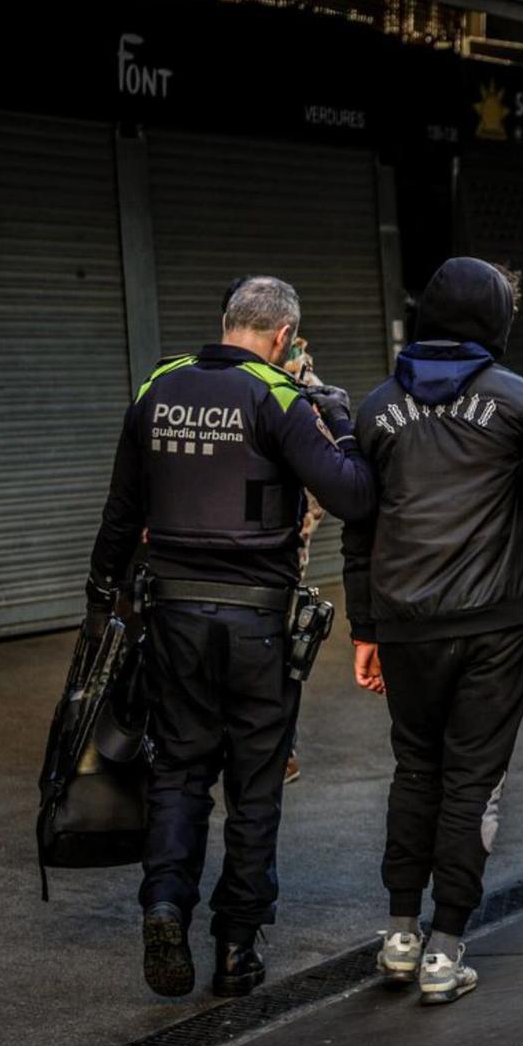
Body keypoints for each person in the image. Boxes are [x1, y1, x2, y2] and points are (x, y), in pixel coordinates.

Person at [87, 276, 374, 999]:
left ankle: (163, 905)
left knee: (179, 770)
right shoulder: (276, 396)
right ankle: (236, 947)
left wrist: (100, 603)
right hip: (256, 624)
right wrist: (335, 418)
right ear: (284, 338)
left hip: (173, 618)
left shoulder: (158, 385)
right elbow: (351, 493)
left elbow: (121, 513)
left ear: (227, 324)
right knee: (254, 786)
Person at [343, 257, 523, 1006]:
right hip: (494, 624)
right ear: (493, 320)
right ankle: (447, 946)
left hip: (406, 623)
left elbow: (360, 525)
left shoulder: (379, 408)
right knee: (472, 779)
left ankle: (399, 933)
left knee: (415, 768)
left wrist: (364, 625)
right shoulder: (519, 401)